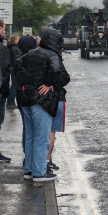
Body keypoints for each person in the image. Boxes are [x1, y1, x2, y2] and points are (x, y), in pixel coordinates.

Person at [16, 29, 67, 181]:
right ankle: (39, 173)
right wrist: (48, 83)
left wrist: (27, 81)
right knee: (41, 138)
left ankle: (29, 171)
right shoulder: (52, 55)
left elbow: (18, 64)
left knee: (30, 137)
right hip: (42, 101)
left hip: (26, 98)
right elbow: (58, 72)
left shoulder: (30, 53)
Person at [47, 53, 70, 171]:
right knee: (51, 131)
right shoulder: (56, 59)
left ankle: (32, 163)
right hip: (56, 98)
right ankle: (47, 160)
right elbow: (65, 79)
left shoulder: (31, 56)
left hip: (37, 99)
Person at [15, 36, 38, 154]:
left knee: (26, 123)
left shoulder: (17, 58)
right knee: (34, 126)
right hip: (32, 93)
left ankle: (27, 154)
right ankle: (32, 154)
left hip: (20, 93)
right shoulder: (35, 58)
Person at [0, 18, 11, 162]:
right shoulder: (1, 48)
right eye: (4, 29)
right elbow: (5, 71)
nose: (5, 32)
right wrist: (5, 92)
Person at [7, 35, 21, 109]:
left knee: (13, 84)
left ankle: (10, 101)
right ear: (13, 40)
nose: (18, 40)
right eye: (17, 38)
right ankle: (10, 102)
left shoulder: (10, 47)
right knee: (15, 85)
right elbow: (17, 59)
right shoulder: (15, 48)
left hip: (11, 67)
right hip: (14, 67)